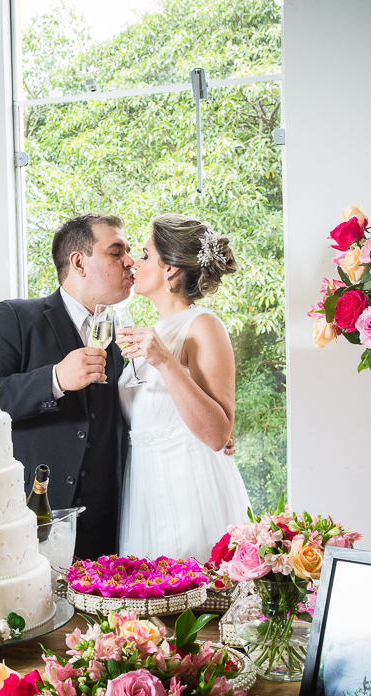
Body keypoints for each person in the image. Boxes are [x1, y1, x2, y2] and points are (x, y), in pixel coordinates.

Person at [0, 213, 135, 559]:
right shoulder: (16, 317)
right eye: (116, 252)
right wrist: (55, 379)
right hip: (28, 516)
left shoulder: (118, 338)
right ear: (79, 262)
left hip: (104, 528)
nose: (130, 262)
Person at [116, 214, 251, 563]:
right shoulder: (150, 331)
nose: (132, 261)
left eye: (144, 255)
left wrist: (164, 361)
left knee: (195, 608)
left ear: (170, 269)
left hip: (191, 488)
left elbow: (219, 433)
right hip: (145, 490)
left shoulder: (203, 326)